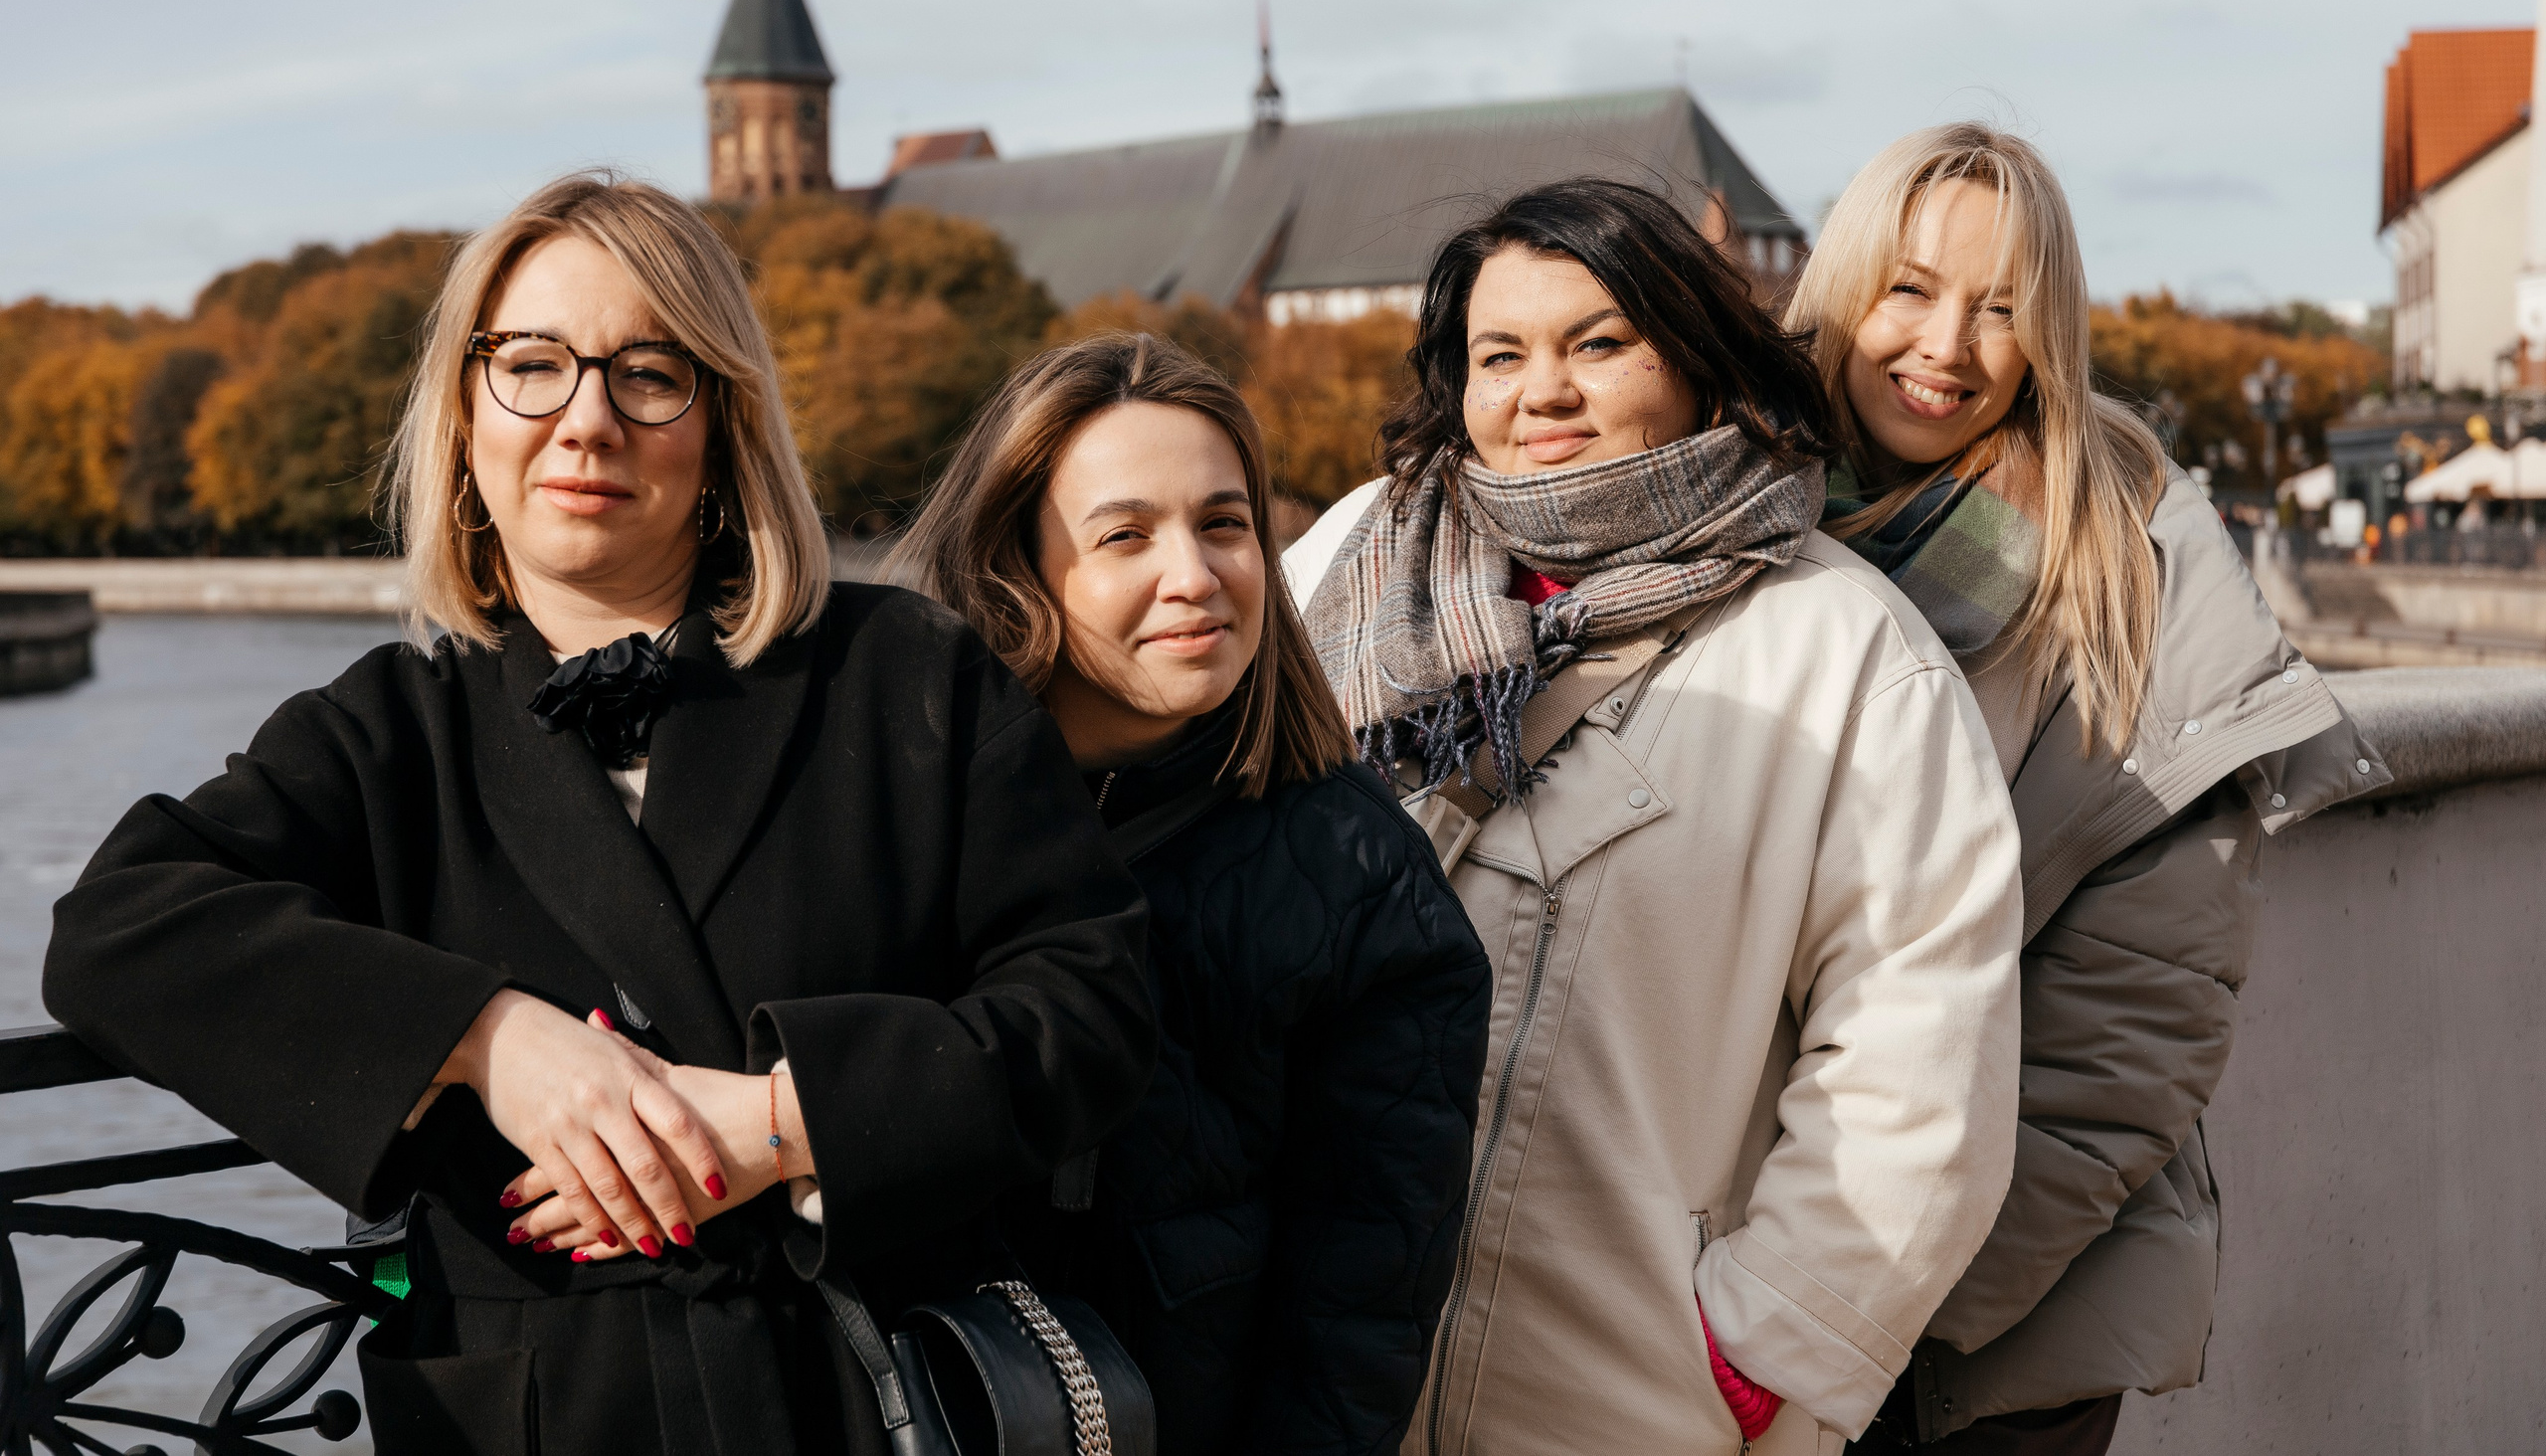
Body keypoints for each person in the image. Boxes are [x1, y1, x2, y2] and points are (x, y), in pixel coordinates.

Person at [41, 173, 1156, 1456]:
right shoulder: (383, 730)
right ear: (465, 419)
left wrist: (787, 1125)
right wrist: (486, 1038)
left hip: (879, 1400)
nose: (587, 420)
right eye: (532, 364)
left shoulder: (905, 673)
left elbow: (1095, 1006)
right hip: (536, 1420)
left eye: (649, 371)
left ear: (722, 425)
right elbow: (116, 930)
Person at [1283, 177, 2026, 1455]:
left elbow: (1918, 1058)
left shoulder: (1842, 648)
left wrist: (1762, 1351)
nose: (1541, 392)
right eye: (1498, 354)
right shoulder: (1356, 557)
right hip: (1318, 1365)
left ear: (1695, 358)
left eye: (1597, 344)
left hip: (1626, 1395)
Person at [1787, 124, 2389, 1454]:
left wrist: (1885, 1298)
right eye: (1908, 289)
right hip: (1748, 1292)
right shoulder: (1740, 514)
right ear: (1839, 290)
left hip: (1981, 1337)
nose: (1947, 343)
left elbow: (2138, 1010)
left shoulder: (2122, 549)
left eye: (2001, 307)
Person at [893, 332, 1492, 1456]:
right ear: (1017, 565)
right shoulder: (893, 811)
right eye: (1125, 535)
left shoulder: (1362, 883)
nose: (1196, 575)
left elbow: (1357, 1315)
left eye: (1224, 525)